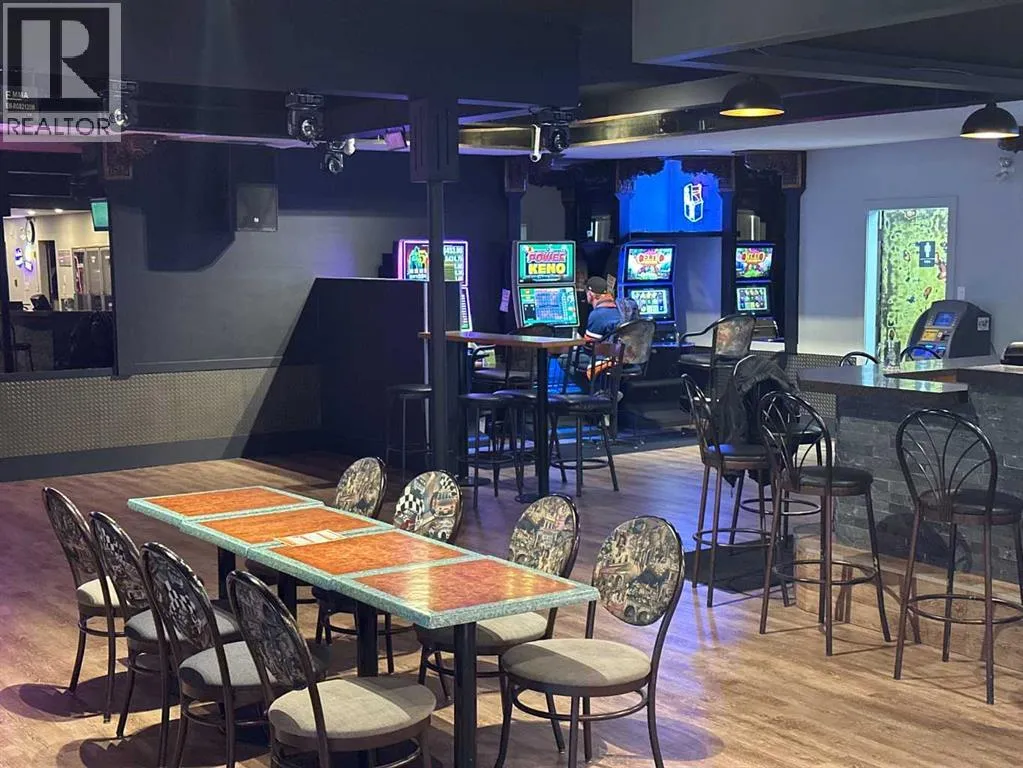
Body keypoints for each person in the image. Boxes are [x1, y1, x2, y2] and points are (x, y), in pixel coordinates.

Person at [562, 276, 622, 388]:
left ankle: (593, 391)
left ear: (590, 294)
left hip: (606, 359)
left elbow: (589, 348)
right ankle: (605, 389)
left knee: (564, 359)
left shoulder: (598, 314)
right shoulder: (619, 308)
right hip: (623, 357)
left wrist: (578, 341)